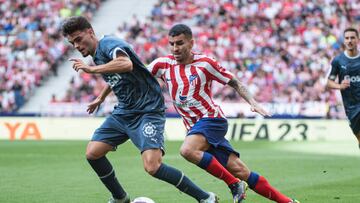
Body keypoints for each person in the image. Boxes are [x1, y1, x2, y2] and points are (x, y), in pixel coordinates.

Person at [61, 16, 219, 203]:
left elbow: (126, 64)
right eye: (72, 43)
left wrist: (91, 70)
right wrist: (100, 98)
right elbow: (116, 76)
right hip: (124, 112)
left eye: (78, 39)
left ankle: (205, 197)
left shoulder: (109, 44)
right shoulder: (96, 53)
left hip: (148, 111)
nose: (77, 46)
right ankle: (120, 197)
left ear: (90, 32)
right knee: (93, 153)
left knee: (153, 167)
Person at [148, 24, 299, 203]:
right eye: (171, 44)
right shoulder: (162, 64)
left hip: (212, 119)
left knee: (187, 150)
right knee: (242, 171)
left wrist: (253, 102)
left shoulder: (205, 63)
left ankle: (234, 184)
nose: (175, 48)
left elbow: (234, 82)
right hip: (195, 129)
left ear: (191, 43)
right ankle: (288, 202)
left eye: (179, 43)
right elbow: (138, 74)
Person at [327, 27, 360, 149]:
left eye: (352, 37)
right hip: (351, 107)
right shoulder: (338, 61)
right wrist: (340, 85)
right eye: (347, 38)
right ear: (344, 41)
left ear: (358, 40)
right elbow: (329, 82)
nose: (349, 40)